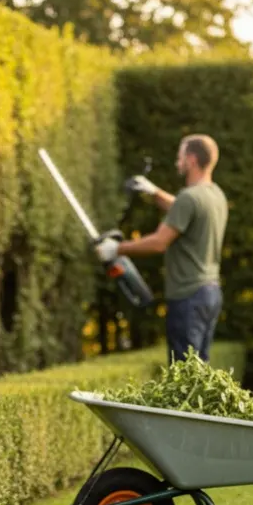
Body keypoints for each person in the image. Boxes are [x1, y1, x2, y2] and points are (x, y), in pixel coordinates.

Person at [95, 134, 228, 364]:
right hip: (210, 293)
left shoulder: (189, 197)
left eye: (180, 156)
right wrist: (154, 192)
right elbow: (184, 209)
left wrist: (116, 249)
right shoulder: (215, 195)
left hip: (187, 295)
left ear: (192, 160)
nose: (177, 161)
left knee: (183, 372)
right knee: (199, 370)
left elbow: (159, 242)